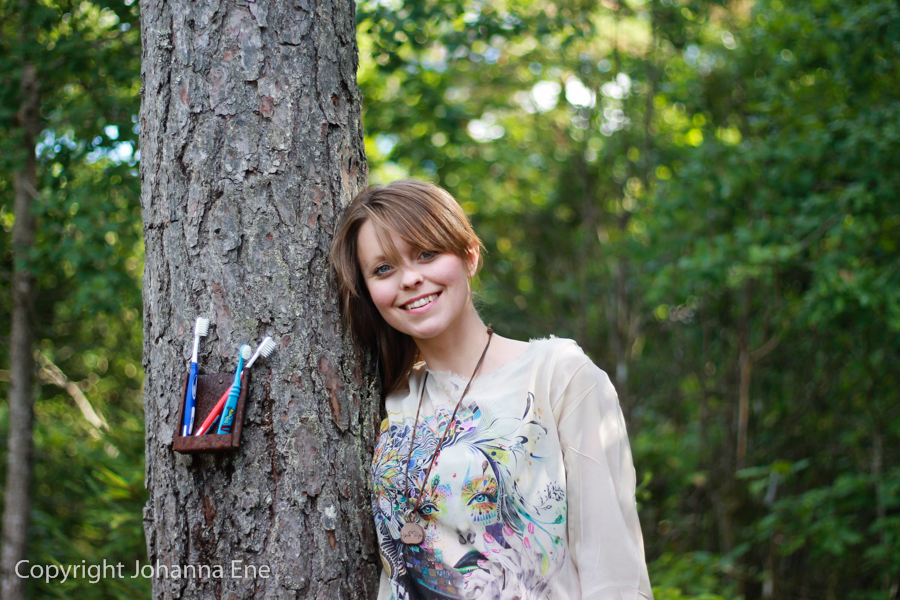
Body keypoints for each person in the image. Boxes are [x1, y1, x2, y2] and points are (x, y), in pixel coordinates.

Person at [331, 180, 653, 600]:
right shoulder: (391, 401)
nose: (410, 278)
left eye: (426, 253)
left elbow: (614, 574)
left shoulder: (559, 376)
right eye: (384, 269)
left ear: (469, 255)